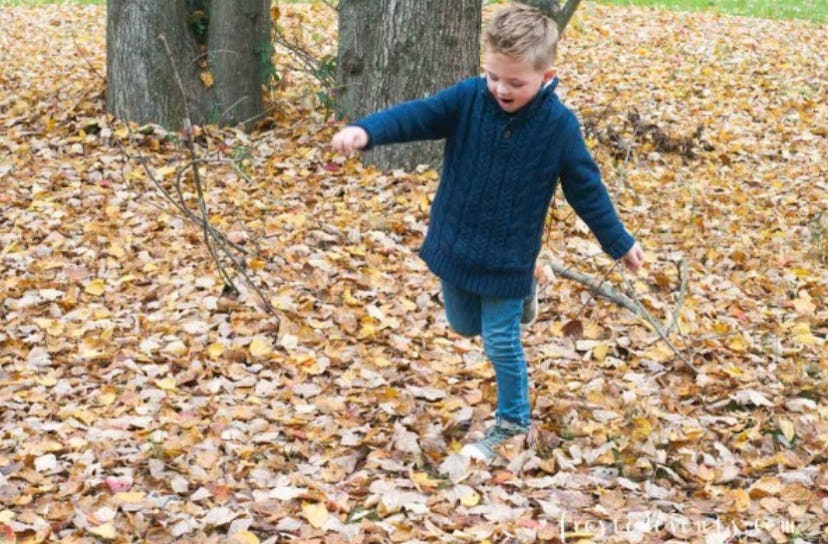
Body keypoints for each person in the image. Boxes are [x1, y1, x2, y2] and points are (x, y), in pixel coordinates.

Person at [331, 2, 644, 463]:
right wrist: (366, 131)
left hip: (508, 257)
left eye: (516, 82)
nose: (501, 89)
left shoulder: (559, 128)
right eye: (494, 76)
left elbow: (587, 190)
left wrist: (619, 243)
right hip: (455, 242)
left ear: (547, 75)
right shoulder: (468, 99)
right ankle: (528, 299)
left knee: (500, 341)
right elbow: (417, 115)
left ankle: (512, 420)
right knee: (462, 325)